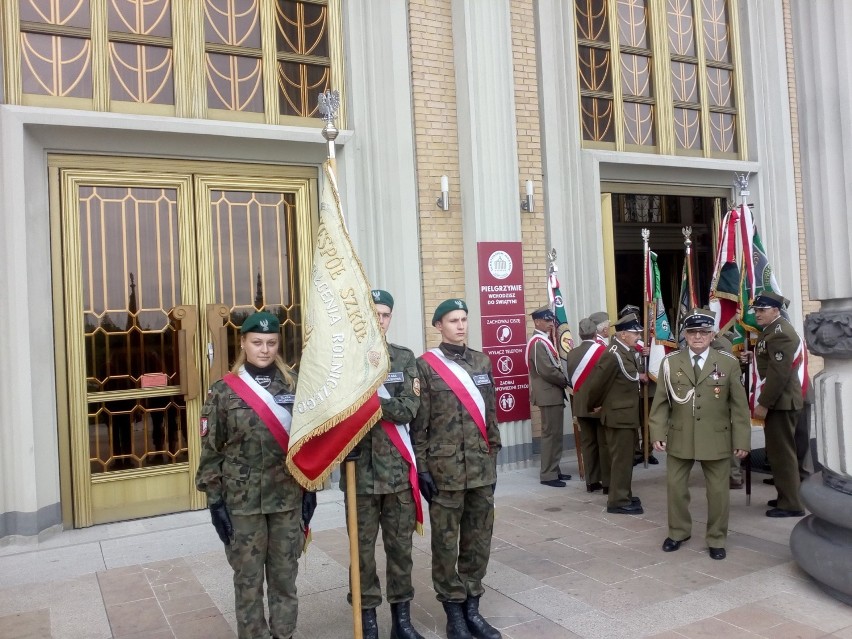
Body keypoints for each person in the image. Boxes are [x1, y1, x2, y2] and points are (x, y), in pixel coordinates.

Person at [195, 311, 316, 639]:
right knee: (248, 583)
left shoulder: (295, 385)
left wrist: (311, 489)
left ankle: (284, 634)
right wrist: (215, 502)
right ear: (244, 344)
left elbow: (308, 443)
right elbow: (211, 452)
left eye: (271, 343)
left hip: (287, 499)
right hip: (242, 504)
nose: (264, 349)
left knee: (284, 579)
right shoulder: (223, 391)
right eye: (257, 342)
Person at [410, 299, 502, 639]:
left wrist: (492, 460)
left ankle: (472, 609)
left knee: (479, 540)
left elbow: (490, 415)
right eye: (453, 320)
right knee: (446, 544)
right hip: (444, 471)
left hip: (480, 468)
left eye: (464, 319)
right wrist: (423, 469)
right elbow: (420, 425)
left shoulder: (481, 361)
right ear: (439, 325)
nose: (460, 325)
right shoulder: (425, 367)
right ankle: (454, 614)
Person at [341, 290, 425, 639]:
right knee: (361, 555)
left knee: (400, 550)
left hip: (397, 475)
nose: (380, 320)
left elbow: (408, 409)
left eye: (385, 314)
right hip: (358, 474)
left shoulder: (404, 359)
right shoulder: (343, 361)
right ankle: (369, 622)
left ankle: (401, 623)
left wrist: (368, 400)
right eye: (373, 314)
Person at [650, 309, 751, 560]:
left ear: (712, 334)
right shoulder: (671, 362)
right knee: (675, 488)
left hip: (716, 436)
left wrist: (741, 440)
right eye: (693, 332)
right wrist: (657, 432)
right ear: (685, 334)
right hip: (680, 435)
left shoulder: (727, 362)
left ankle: (716, 537)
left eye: (704, 332)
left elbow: (739, 407)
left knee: (718, 492)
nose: (698, 337)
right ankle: (678, 532)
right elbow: (661, 402)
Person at [751, 291, 808, 518]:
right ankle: (786, 496)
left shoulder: (781, 333)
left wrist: (764, 404)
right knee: (779, 453)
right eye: (756, 310)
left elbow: (778, 374)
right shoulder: (772, 330)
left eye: (762, 310)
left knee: (782, 454)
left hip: (780, 403)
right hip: (780, 402)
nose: (757, 314)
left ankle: (791, 504)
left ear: (775, 310)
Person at [585, 313, 644, 515]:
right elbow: (598, 382)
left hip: (625, 415)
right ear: (624, 334)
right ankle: (618, 500)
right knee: (621, 459)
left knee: (626, 459)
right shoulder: (614, 353)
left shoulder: (625, 350)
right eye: (635, 333)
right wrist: (593, 404)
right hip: (619, 416)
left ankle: (624, 493)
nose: (638, 336)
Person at [526, 305, 571, 487]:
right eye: (547, 320)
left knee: (555, 435)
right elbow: (547, 371)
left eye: (551, 320)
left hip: (551, 393)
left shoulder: (544, 340)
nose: (551, 323)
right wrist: (565, 381)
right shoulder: (538, 343)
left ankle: (554, 469)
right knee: (550, 435)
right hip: (548, 394)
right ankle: (548, 475)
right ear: (537, 321)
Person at [565, 317, 610, 493]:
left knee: (588, 444)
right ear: (595, 333)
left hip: (581, 404)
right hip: (599, 404)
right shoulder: (603, 351)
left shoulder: (571, 353)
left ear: (580, 334)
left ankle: (591, 481)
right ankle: (607, 482)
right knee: (604, 443)